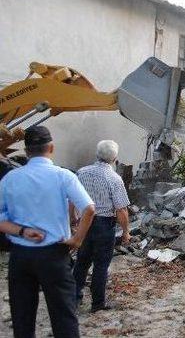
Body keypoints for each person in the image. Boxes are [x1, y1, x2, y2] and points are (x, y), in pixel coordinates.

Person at [0, 126, 96, 338]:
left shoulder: (10, 179)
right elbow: (89, 208)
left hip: (21, 257)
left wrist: (23, 231)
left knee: (22, 319)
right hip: (55, 255)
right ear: (51, 147)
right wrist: (77, 240)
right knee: (64, 317)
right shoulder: (63, 176)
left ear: (26, 151)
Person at [73, 140, 130, 313]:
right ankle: (97, 304)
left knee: (81, 262)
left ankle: (74, 299)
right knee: (101, 265)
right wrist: (126, 232)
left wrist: (72, 220)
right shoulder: (114, 178)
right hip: (104, 225)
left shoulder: (81, 173)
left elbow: (71, 199)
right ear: (114, 158)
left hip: (84, 222)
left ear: (97, 154)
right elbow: (121, 209)